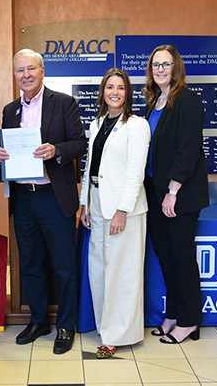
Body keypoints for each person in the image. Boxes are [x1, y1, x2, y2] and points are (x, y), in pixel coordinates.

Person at [0, 49, 87, 354]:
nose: (26, 75)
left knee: (63, 265)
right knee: (30, 263)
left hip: (53, 196)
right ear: (15, 76)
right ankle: (37, 321)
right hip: (23, 198)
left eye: (31, 69)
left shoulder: (63, 103)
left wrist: (55, 150)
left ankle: (65, 326)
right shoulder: (10, 111)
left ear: (42, 71)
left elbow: (79, 143)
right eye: (20, 71)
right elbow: (5, 151)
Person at [78, 68, 150, 359]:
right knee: (99, 271)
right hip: (96, 203)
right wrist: (84, 203)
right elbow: (89, 166)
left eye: (121, 88)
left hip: (124, 210)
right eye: (110, 87)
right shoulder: (97, 123)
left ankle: (119, 334)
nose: (115, 92)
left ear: (128, 92)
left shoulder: (137, 125)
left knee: (123, 273)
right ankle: (105, 325)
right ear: (102, 92)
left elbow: (135, 172)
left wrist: (122, 210)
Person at [143, 44, 209, 344]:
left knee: (182, 258)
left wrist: (172, 191)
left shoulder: (188, 101)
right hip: (155, 194)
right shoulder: (154, 102)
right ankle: (172, 314)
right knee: (165, 257)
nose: (160, 69)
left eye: (165, 64)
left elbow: (187, 151)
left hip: (178, 196)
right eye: (155, 64)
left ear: (175, 67)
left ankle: (190, 321)